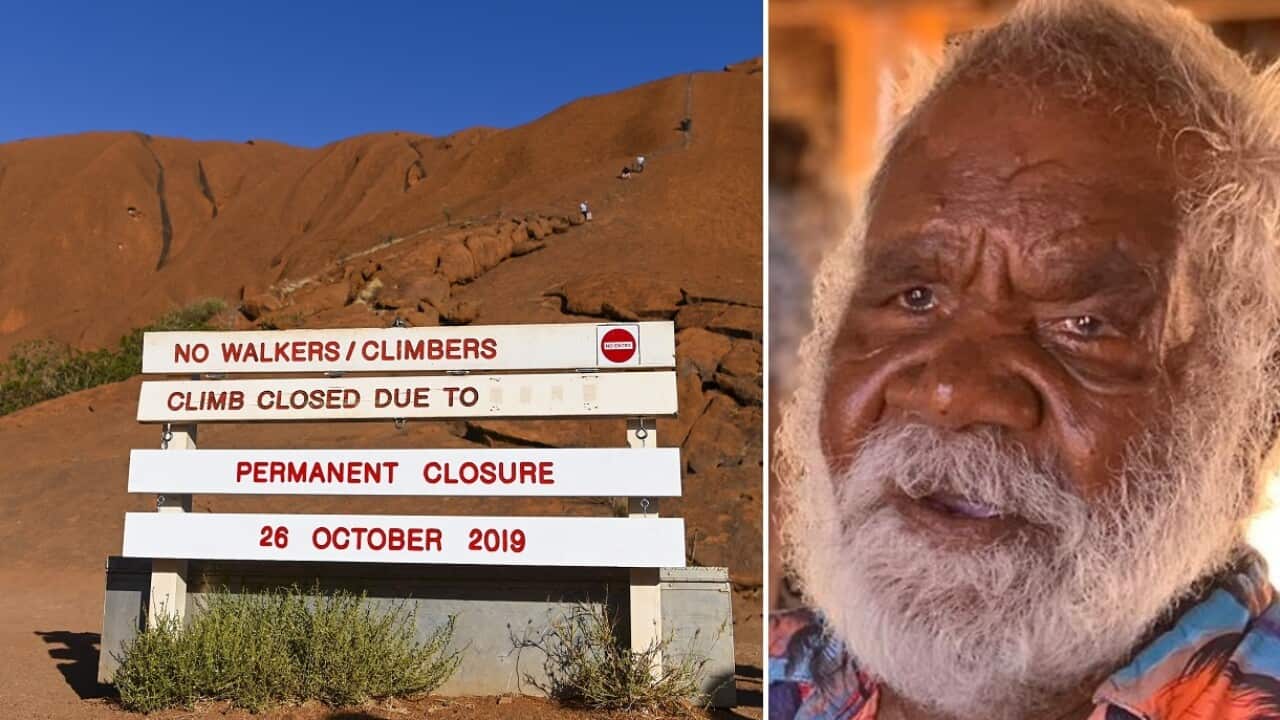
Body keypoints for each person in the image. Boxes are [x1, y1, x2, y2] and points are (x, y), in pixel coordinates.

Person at [771, 1, 1280, 719]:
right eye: (915, 296)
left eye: (1084, 323)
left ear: (1255, 413)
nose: (953, 389)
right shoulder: (765, 678)